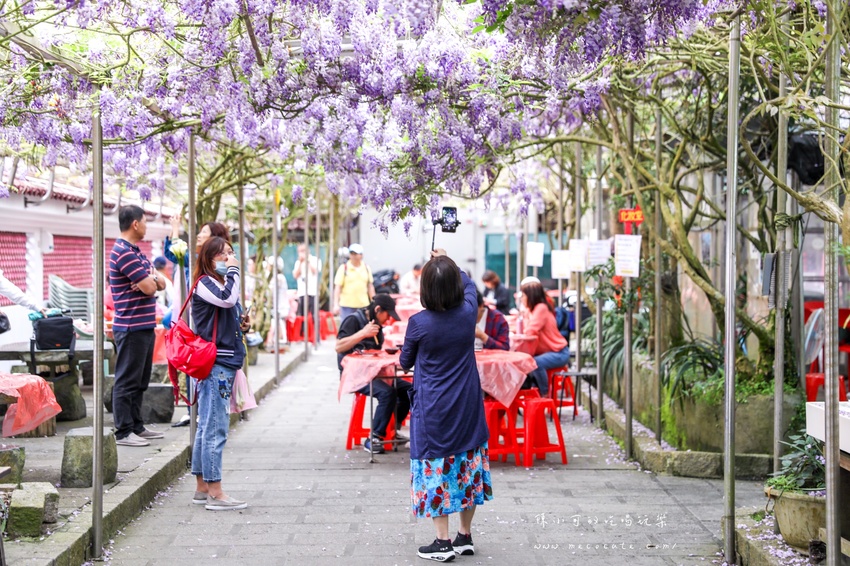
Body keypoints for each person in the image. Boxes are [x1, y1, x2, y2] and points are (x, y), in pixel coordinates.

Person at [399, 249, 493, 561]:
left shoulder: (418, 323)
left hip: (434, 408)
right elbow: (470, 288)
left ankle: (442, 542)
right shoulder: (468, 314)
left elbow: (405, 361)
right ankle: (464, 536)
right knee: (467, 464)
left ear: (425, 289)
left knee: (435, 468)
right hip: (467, 403)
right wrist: (449, 262)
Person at [190, 236, 249, 511]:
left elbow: (228, 311)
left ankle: (203, 487)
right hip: (216, 365)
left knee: (206, 426)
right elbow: (227, 300)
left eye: (231, 253)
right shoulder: (205, 283)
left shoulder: (220, 283)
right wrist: (236, 270)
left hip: (222, 362)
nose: (229, 258)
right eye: (223, 254)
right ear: (210, 259)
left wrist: (242, 324)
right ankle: (215, 492)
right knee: (215, 427)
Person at [108, 205, 167, 447]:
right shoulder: (124, 252)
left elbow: (160, 282)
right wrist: (149, 280)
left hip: (143, 325)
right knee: (127, 379)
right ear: (135, 224)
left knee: (140, 379)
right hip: (131, 326)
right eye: (144, 221)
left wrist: (150, 278)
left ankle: (137, 426)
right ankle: (123, 431)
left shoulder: (136, 252)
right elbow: (151, 287)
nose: (146, 226)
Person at [335, 293, 410, 455]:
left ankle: (392, 429)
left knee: (409, 390)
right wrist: (362, 333)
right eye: (387, 315)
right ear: (377, 309)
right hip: (354, 375)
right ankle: (374, 437)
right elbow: (339, 347)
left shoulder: (378, 329)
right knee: (387, 393)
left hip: (373, 372)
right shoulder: (353, 320)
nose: (388, 319)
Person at [519, 278, 570, 395]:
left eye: (523, 296)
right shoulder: (531, 310)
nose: (521, 299)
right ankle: (533, 392)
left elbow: (530, 331)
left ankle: (544, 393)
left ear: (531, 296)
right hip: (548, 352)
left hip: (559, 353)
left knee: (535, 362)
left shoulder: (541, 308)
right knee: (526, 362)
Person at [164, 215, 231, 287]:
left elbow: (177, 254)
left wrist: (175, 228)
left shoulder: (202, 259)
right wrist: (174, 228)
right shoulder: (200, 257)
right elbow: (171, 253)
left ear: (214, 237)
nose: (198, 235)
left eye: (204, 232)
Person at [333, 243, 375, 321]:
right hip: (347, 306)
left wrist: (373, 302)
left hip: (363, 305)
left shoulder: (366, 268)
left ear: (361, 255)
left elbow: (370, 286)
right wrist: (336, 304)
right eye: (352, 253)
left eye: (356, 254)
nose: (354, 256)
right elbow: (338, 287)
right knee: (347, 328)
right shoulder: (343, 268)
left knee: (362, 327)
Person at [266, 256, 290, 352]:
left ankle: (272, 341)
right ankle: (277, 340)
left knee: (274, 322)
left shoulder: (278, 278)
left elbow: (269, 291)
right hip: (279, 306)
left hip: (279, 307)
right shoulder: (280, 277)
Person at [292, 244, 321, 316]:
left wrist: (308, 261)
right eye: (299, 251)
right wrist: (301, 263)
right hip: (302, 292)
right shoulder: (298, 262)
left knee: (314, 315)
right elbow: (295, 275)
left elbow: (315, 271)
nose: (301, 253)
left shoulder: (315, 260)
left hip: (313, 292)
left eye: (303, 250)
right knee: (302, 316)